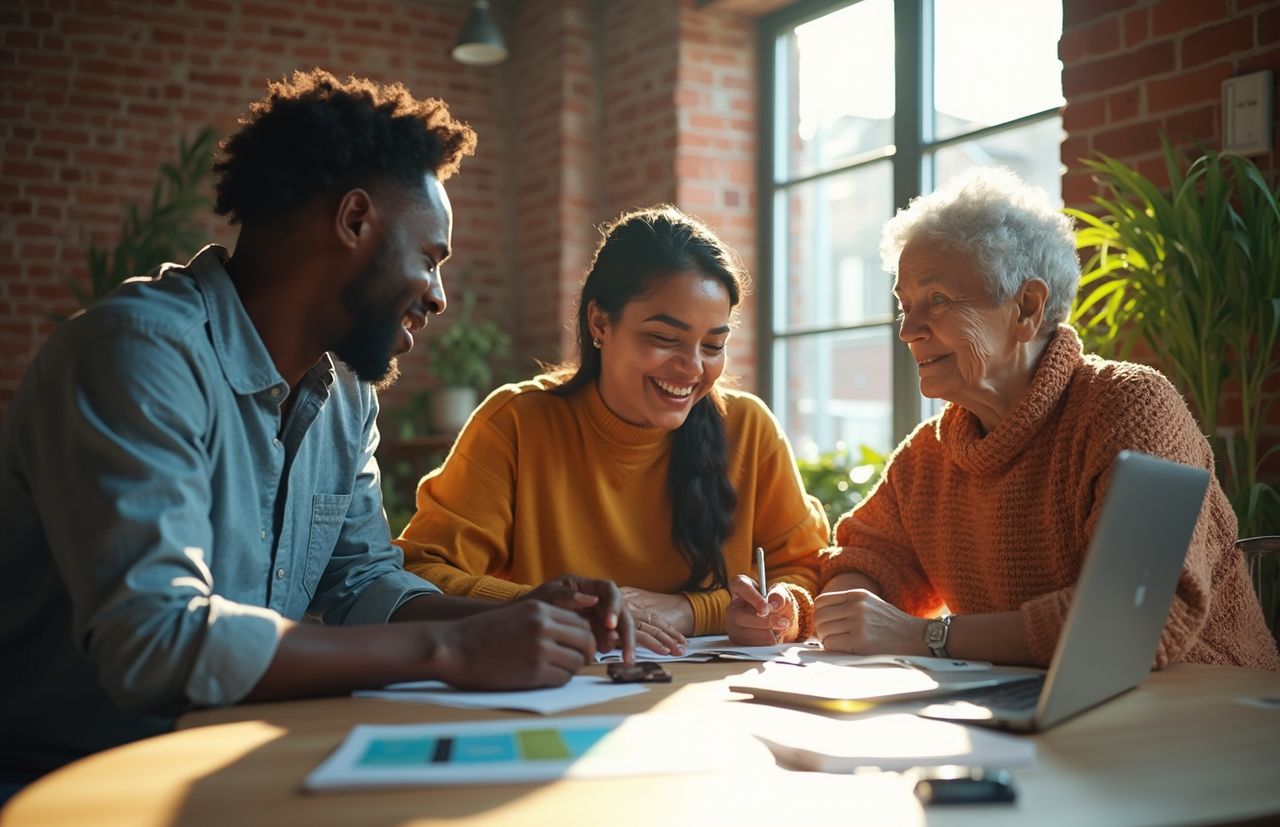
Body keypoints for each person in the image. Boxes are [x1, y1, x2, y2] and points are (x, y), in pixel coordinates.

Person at [0, 69, 635, 789]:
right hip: (66, 783)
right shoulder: (135, 355)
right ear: (355, 219)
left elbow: (361, 581)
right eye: (430, 258)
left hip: (237, 766)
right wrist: (451, 649)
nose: (439, 295)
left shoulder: (345, 395)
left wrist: (526, 613)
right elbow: (157, 638)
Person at [812, 167, 1279, 671]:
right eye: (905, 307)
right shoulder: (930, 454)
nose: (909, 331)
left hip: (1204, 708)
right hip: (1040, 714)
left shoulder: (1131, 407)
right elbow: (865, 561)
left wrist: (925, 635)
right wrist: (845, 610)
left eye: (937, 300)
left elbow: (1131, 619)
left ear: (1026, 308)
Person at [393, 205, 829, 652]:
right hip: (557, 691)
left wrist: (718, 609)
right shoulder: (516, 424)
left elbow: (809, 571)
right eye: (664, 338)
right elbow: (420, 575)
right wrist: (557, 607)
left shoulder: (747, 428)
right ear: (600, 322)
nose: (693, 367)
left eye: (714, 345)